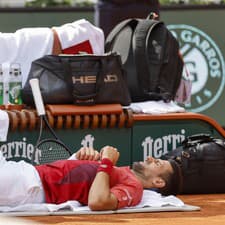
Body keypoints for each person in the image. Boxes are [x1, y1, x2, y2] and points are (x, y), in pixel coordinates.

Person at [0, 146, 182, 211]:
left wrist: (106, 162)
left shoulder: (134, 187)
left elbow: (98, 201)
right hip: (26, 171)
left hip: (29, 186)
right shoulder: (121, 172)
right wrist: (76, 158)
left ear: (158, 182)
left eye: (157, 163)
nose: (150, 158)